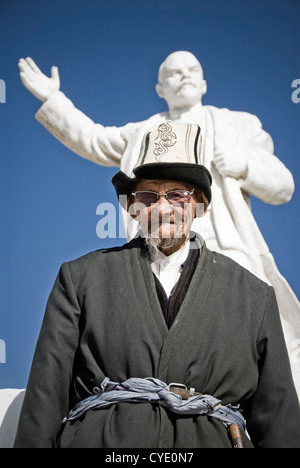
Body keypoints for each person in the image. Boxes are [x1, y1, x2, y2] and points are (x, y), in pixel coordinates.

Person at [18, 51, 300, 398]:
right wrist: (53, 99)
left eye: (192, 69)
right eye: (174, 72)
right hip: (156, 245)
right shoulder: (142, 132)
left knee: (242, 330)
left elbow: (283, 186)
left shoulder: (239, 125)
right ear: (160, 87)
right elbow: (92, 138)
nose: (184, 76)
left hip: (227, 247)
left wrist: (244, 166)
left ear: (204, 82)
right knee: (155, 329)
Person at [14, 123, 300, 449]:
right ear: (134, 207)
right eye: (149, 196)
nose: (162, 208)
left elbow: (280, 420)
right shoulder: (81, 278)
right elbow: (44, 398)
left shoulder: (254, 296)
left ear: (200, 205)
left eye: (178, 195)